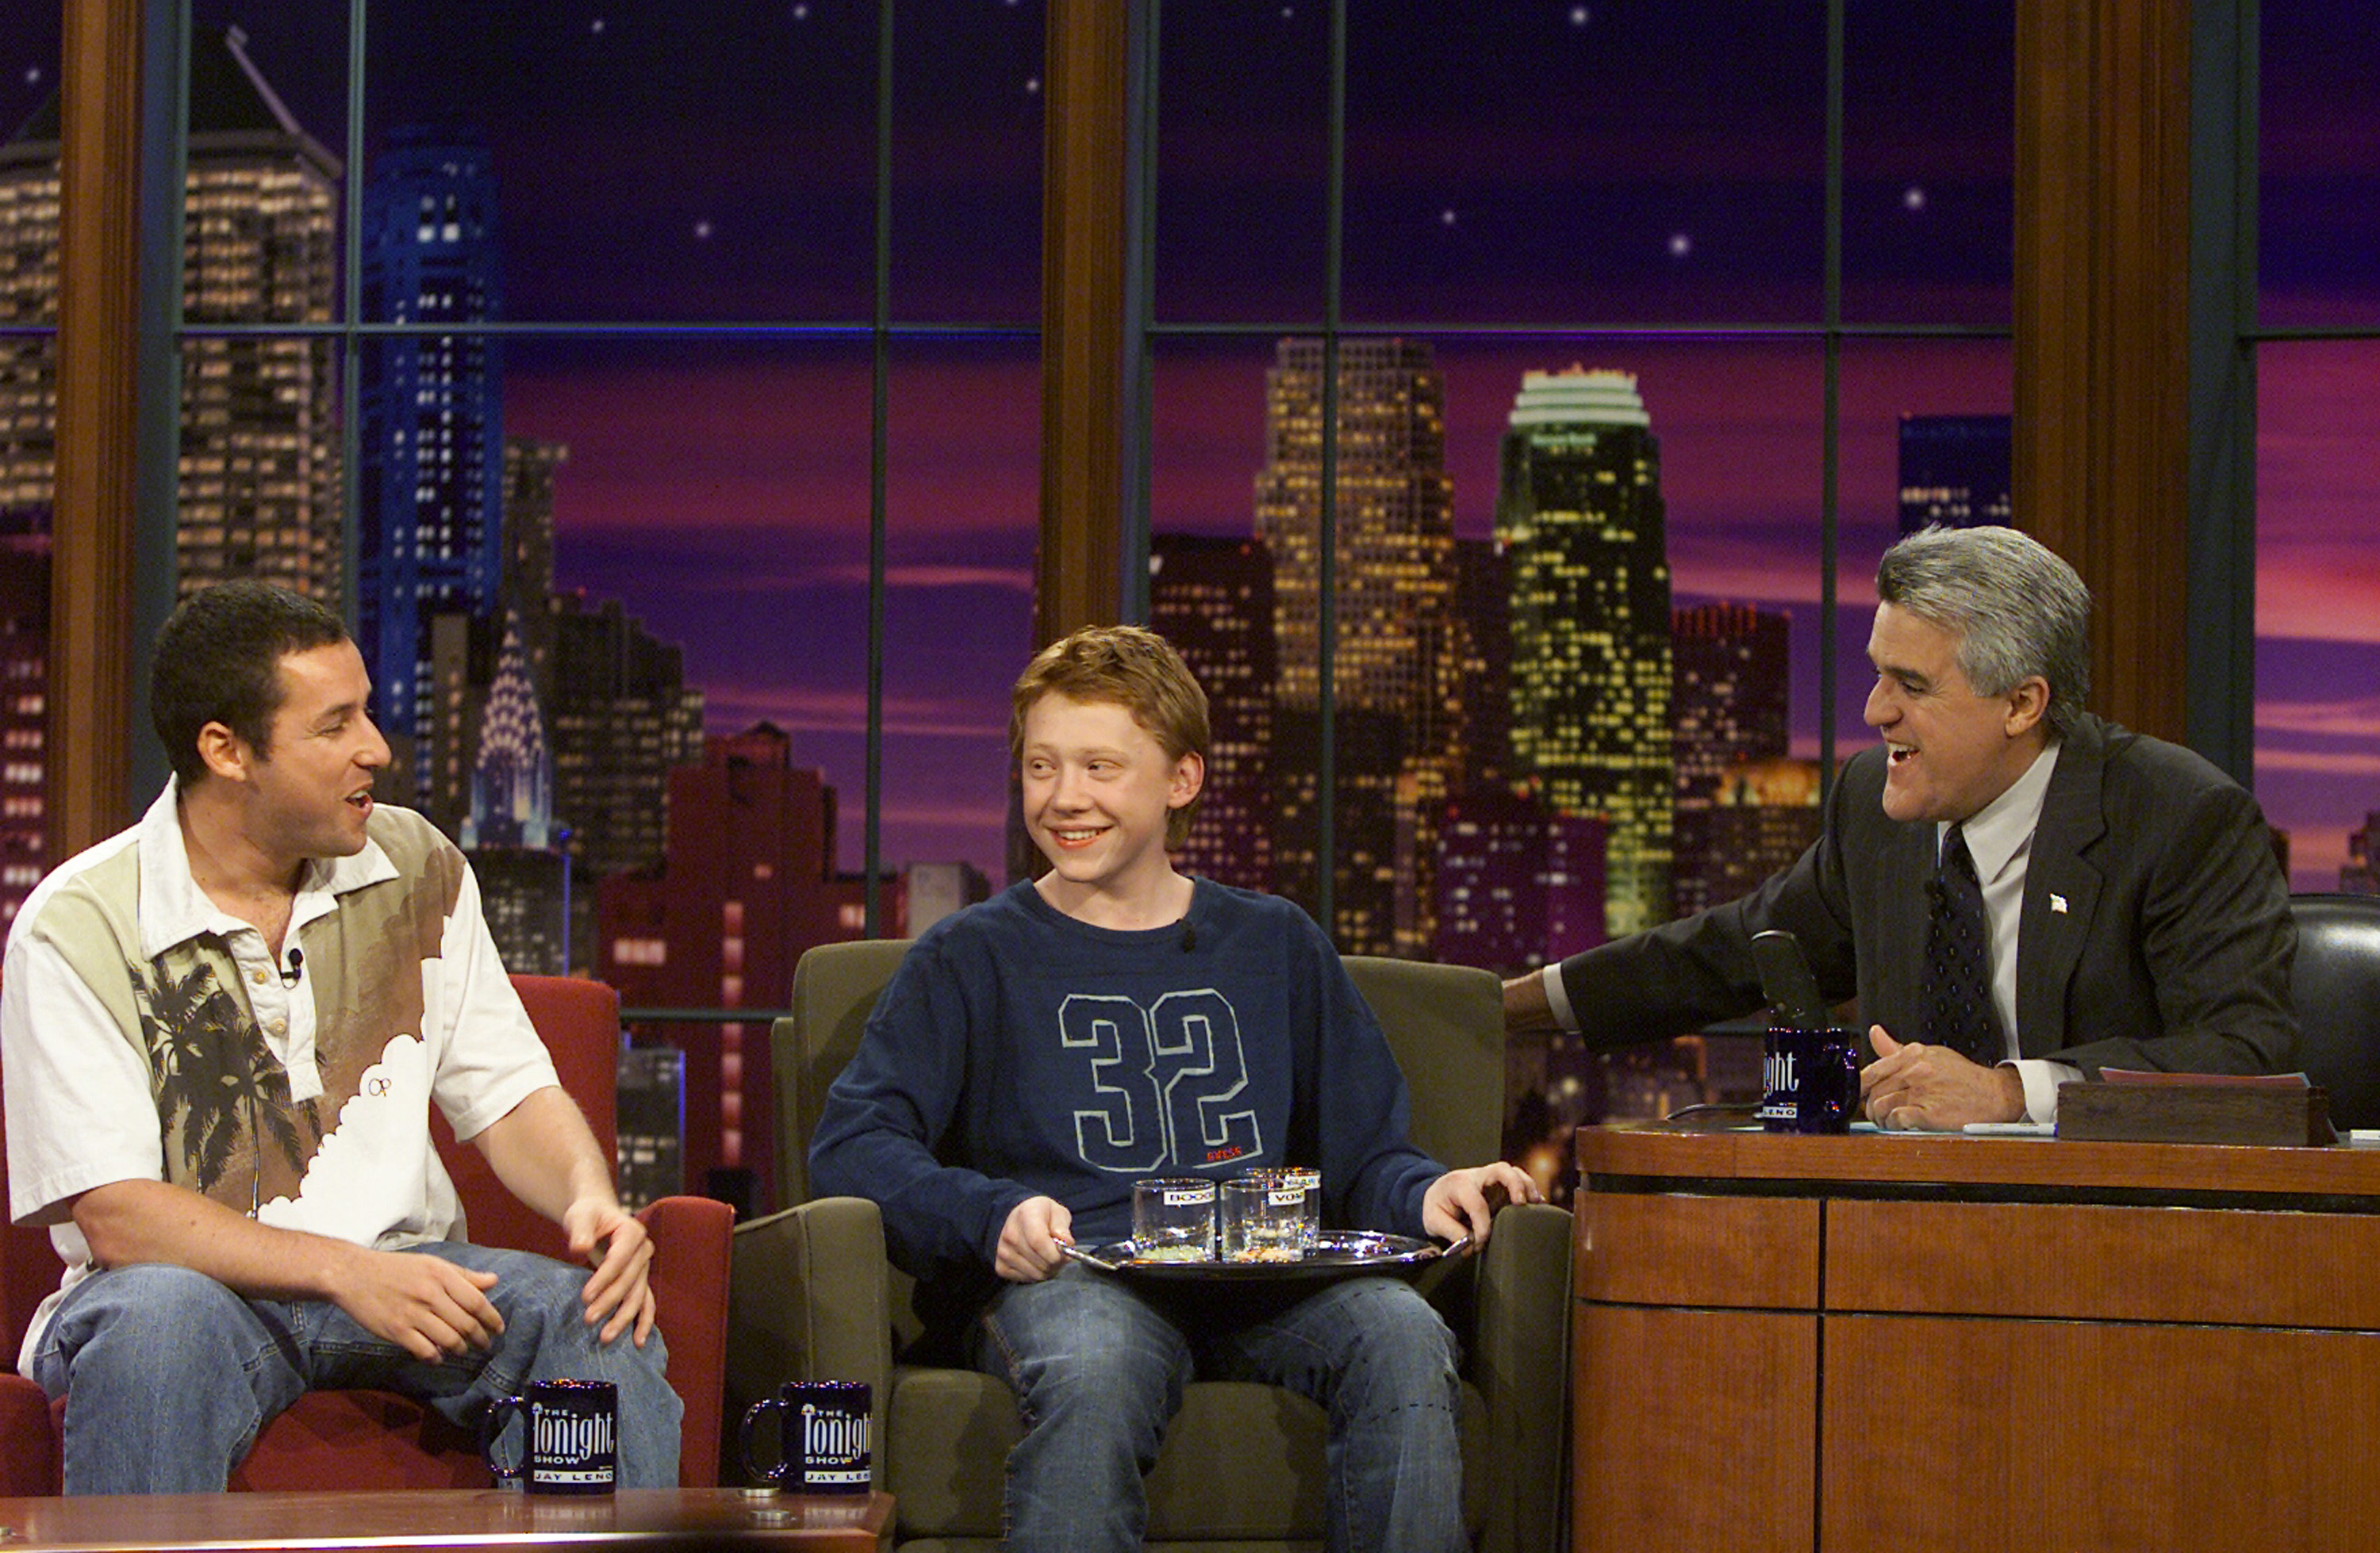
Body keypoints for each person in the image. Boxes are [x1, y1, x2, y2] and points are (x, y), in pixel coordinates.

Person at [810, 624, 1539, 1553]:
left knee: (1399, 1331)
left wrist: (1430, 1189)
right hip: (1080, 1276)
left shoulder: (1274, 943)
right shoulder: (969, 956)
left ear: (1182, 779)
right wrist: (991, 1212)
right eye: (1041, 767)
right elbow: (854, 1145)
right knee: (1097, 1357)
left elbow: (1369, 1154)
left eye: (1101, 767)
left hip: (1266, 1282)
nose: (1065, 797)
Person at [1, 579, 681, 1494]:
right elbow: (120, 1215)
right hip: (191, 1292)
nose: (377, 748)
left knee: (597, 1324)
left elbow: (510, 1091)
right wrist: (342, 1270)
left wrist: (587, 1194)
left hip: (411, 1273)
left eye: (367, 711)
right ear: (227, 750)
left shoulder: (417, 864)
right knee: (156, 1325)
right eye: (335, 726)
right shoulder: (79, 924)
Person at [1505, 525, 2297, 1130]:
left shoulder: (2178, 817)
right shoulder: (1876, 808)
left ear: (2022, 703)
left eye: (1911, 684)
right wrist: (1495, 1008)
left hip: (2117, 1237)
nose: (1875, 710)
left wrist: (2009, 1091)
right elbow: (1732, 951)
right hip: (1906, 1229)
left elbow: (2246, 1053)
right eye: (1879, 671)